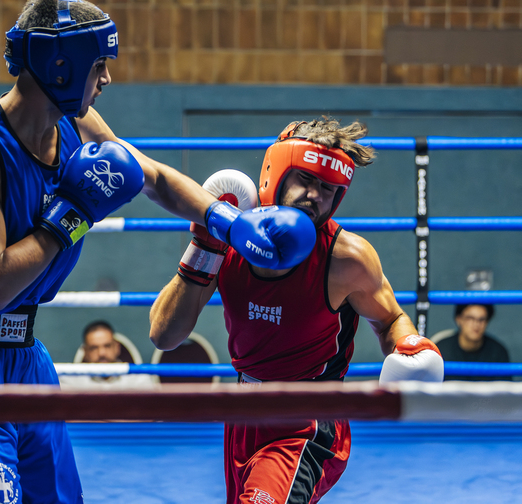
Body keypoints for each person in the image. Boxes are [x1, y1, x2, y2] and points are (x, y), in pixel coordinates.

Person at [0, 0, 280, 504]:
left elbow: (153, 177)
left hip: (26, 358)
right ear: (60, 65)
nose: (106, 79)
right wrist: (74, 214)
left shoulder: (75, 124)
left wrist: (228, 222)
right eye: (98, 64)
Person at [149, 119, 445, 504]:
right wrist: (206, 244)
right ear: (276, 173)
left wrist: (408, 344)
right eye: (305, 179)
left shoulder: (346, 259)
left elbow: (389, 319)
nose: (314, 195)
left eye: (328, 188)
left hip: (309, 420)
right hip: (243, 413)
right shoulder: (231, 238)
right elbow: (164, 335)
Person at [59, 320, 157, 390]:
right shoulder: (70, 381)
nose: (102, 353)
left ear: (117, 347)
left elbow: (148, 411)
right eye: (94, 348)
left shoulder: (138, 378)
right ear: (85, 352)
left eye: (107, 346)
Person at [435, 304, 511, 381]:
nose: (476, 324)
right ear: (459, 319)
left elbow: (504, 387)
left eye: (481, 319)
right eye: (470, 318)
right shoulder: (441, 350)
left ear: (487, 322)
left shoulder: (498, 352)